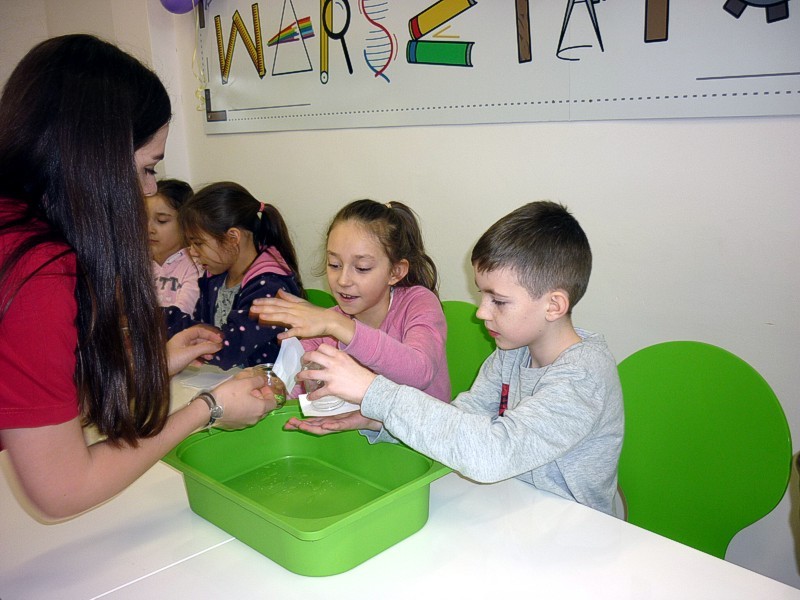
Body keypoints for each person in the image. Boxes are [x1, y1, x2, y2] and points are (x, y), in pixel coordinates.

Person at [0, 35, 276, 521]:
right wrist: (207, 409)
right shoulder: (35, 269)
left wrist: (155, 365)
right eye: (147, 169)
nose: (148, 191)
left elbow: (37, 403)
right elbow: (62, 489)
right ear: (96, 159)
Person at [287, 201, 624, 515]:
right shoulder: (512, 353)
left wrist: (372, 391)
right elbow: (458, 418)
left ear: (554, 305)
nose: (481, 312)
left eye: (498, 301)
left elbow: (492, 454)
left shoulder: (583, 376)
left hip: (574, 527)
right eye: (482, 295)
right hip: (513, 509)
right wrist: (376, 421)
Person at [250, 199, 450, 436]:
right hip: (363, 439)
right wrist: (267, 391)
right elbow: (295, 386)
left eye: (362, 268)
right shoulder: (331, 323)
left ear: (395, 272)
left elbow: (419, 372)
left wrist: (339, 325)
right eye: (334, 264)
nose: (343, 280)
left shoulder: (418, 303)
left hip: (424, 441)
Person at [165, 181, 304, 369]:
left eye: (198, 243)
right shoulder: (214, 277)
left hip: (269, 384)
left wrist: (162, 319)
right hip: (225, 378)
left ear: (232, 238)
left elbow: (227, 350)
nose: (192, 252)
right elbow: (202, 329)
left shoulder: (270, 286)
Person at [148, 178, 201, 315]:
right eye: (142, 219)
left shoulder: (195, 264)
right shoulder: (139, 264)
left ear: (186, 224)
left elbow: (183, 312)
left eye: (161, 221)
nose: (149, 229)